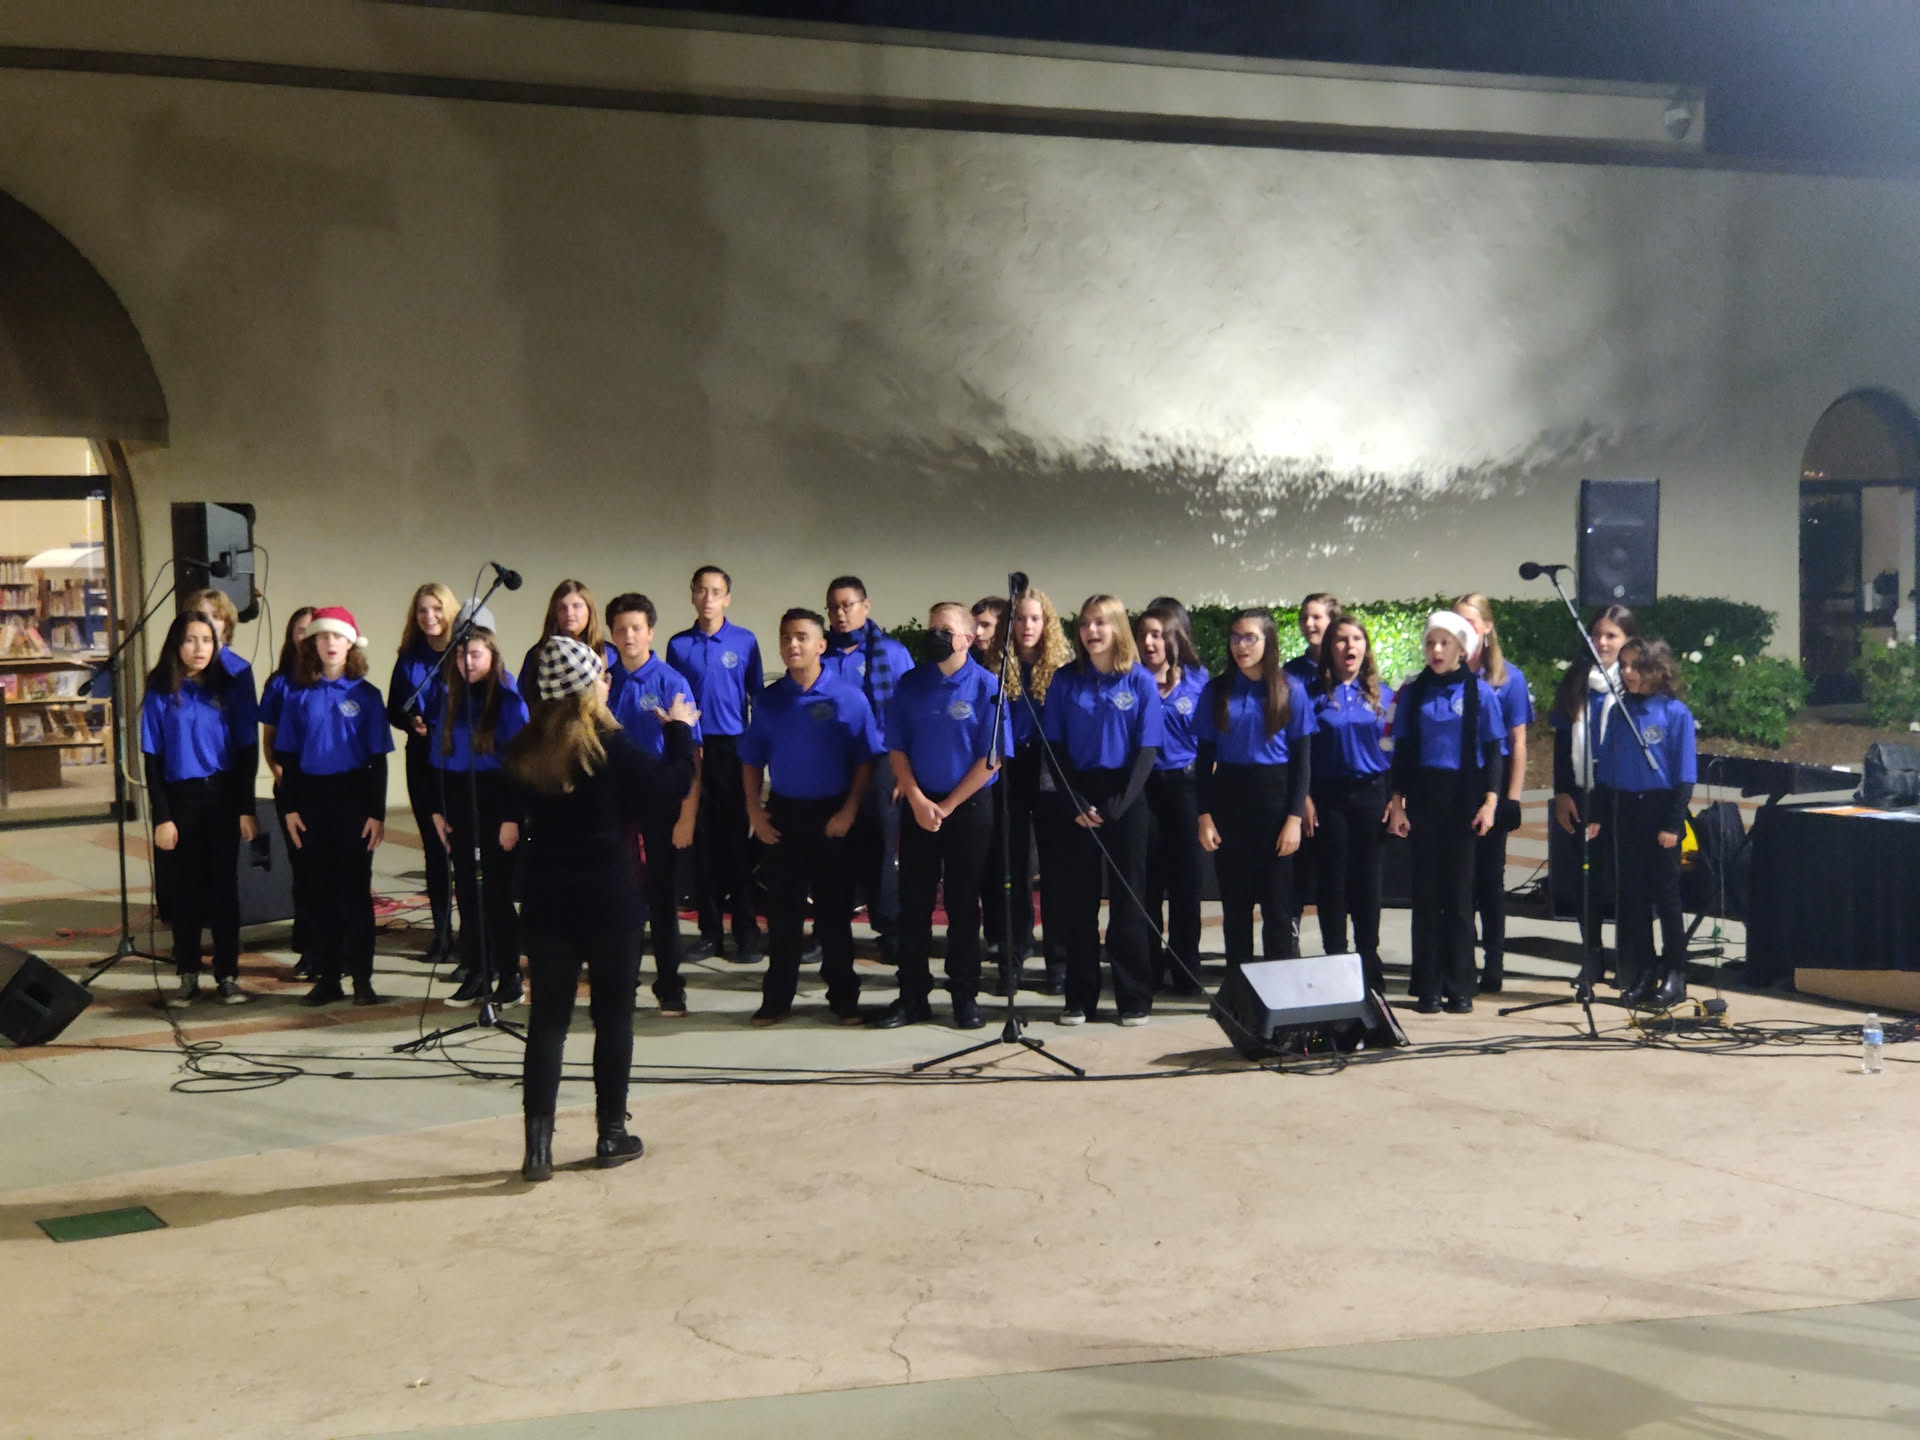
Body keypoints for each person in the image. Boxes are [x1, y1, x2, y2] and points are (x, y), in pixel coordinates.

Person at [504, 636, 698, 1182]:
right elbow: (670, 785)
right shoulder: (610, 746)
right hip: (609, 897)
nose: (607, 682)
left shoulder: (524, 749)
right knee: (613, 1017)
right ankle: (611, 1133)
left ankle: (537, 1150)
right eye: (600, 676)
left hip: (546, 897)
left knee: (548, 1022)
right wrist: (679, 729)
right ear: (587, 688)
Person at [739, 608, 884, 1026]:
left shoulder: (848, 697)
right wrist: (755, 811)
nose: (792, 645)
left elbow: (866, 759)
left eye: (802, 637)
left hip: (833, 814)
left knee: (834, 915)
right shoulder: (768, 700)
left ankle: (843, 997)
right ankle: (777, 998)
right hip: (784, 814)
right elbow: (751, 759)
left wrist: (849, 811)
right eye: (786, 637)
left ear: (821, 645)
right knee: (782, 915)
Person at [876, 602, 1008, 1029]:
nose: (935, 635)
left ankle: (964, 995)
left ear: (968, 639)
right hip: (920, 805)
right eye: (932, 628)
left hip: (967, 808)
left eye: (945, 630)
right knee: (914, 904)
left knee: (963, 904)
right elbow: (897, 747)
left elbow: (991, 759)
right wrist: (917, 799)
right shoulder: (911, 684)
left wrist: (947, 807)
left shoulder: (987, 687)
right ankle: (912, 995)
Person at [1042, 594, 1165, 1026]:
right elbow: (1053, 747)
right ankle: (1079, 997)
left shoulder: (1140, 681)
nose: (1091, 631)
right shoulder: (1064, 681)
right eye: (1085, 624)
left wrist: (1117, 806)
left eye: (1100, 623)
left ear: (1117, 628)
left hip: (1125, 796)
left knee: (1129, 903)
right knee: (1078, 902)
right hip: (1076, 794)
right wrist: (1074, 800)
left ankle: (1133, 997)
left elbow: (1147, 750)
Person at [1386, 612, 1507, 1014]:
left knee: (1458, 897)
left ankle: (1460, 985)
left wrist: (1490, 802)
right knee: (1426, 895)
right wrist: (1397, 802)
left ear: (1461, 649)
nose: (1435, 650)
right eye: (1430, 643)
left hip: (1463, 798)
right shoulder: (1413, 692)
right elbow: (1402, 749)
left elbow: (1494, 751)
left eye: (1444, 643)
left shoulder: (1479, 693)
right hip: (1425, 796)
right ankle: (1428, 986)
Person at [273, 608, 395, 1007]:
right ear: (313, 644)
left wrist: (376, 812)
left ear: (350, 644)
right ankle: (328, 978)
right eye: (323, 637)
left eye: (338, 637)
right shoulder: (296, 694)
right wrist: (290, 808)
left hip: (353, 798)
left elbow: (378, 760)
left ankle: (362, 979)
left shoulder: (367, 696)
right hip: (311, 799)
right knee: (319, 893)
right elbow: (288, 757)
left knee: (355, 893)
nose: (330, 644)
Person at [142, 609, 260, 1007]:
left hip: (222, 795)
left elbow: (246, 750)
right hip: (181, 799)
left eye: (207, 640)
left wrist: (245, 807)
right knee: (185, 891)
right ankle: (188, 974)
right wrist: (163, 817)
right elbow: (153, 759)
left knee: (224, 888)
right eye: (191, 640)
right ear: (177, 644)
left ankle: (227, 974)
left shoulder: (228, 687)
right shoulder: (161, 689)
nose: (199, 648)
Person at [1195, 609, 1316, 968]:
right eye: (1235, 637)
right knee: (1236, 905)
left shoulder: (1290, 690)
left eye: (1250, 637)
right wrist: (1204, 814)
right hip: (1229, 797)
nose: (1241, 646)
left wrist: (1294, 818)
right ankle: (1239, 986)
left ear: (1269, 641)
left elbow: (1302, 761)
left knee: (1278, 906)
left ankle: (1278, 987)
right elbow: (1204, 758)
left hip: (1275, 799)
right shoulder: (1217, 691)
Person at [608, 592, 704, 1013]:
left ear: (650, 632)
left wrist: (687, 815)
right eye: (621, 629)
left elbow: (692, 756)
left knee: (661, 897)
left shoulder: (671, 682)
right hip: (615, 806)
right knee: (619, 896)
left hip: (660, 804)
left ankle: (669, 985)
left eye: (636, 628)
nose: (629, 636)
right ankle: (620, 982)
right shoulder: (604, 683)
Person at [430, 605, 529, 1008]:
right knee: (468, 893)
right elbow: (438, 759)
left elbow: (520, 765)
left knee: (496, 895)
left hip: (496, 800)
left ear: (491, 654)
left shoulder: (507, 700)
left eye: (475, 654)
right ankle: (477, 969)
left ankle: (509, 974)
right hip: (459, 799)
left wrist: (512, 817)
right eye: (460, 655)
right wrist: (438, 810)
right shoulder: (450, 697)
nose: (467, 662)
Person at [1591, 637, 1697, 1009]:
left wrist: (1672, 823)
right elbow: (1605, 770)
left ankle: (1675, 974)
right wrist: (1597, 815)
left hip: (1660, 810)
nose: (1628, 673)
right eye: (1624, 666)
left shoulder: (1674, 713)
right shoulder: (1619, 712)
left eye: (1636, 666)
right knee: (1633, 898)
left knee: (1665, 897)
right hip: (1626, 809)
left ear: (1655, 669)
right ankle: (1644, 972)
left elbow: (1685, 775)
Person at [667, 566, 763, 964]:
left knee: (736, 844)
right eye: (702, 590)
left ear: (727, 598)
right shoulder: (678, 645)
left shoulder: (745, 641)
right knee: (702, 844)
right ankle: (710, 932)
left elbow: (757, 698)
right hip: (693, 748)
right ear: (692, 594)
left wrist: (756, 753)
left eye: (716, 591)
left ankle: (746, 930)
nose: (708, 598)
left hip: (733, 748)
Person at [822, 576, 913, 962]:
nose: (840, 614)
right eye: (833, 607)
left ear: (865, 606)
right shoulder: (821, 653)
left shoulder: (890, 653)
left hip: (881, 763)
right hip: (831, 763)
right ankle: (829, 931)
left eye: (848, 605)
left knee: (879, 849)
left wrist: (905, 774)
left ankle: (889, 930)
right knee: (831, 851)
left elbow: (910, 714)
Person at [989, 586, 1074, 995]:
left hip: (1049, 766)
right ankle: (1013, 954)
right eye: (1020, 618)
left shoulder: (1063, 668)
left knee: (1056, 869)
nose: (1027, 626)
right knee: (1012, 866)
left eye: (1035, 618)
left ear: (1047, 623)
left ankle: (1058, 959)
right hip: (1008, 766)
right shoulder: (995, 665)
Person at [1306, 615, 1393, 995]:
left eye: (1356, 638)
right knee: (1333, 881)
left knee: (1367, 880)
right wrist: (1305, 797)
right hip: (1328, 797)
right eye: (1341, 640)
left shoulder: (1383, 695)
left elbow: (1397, 749)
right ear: (1330, 648)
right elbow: (1301, 751)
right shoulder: (1311, 695)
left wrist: (1397, 797)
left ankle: (1368, 959)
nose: (1349, 646)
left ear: (1365, 647)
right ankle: (1335, 959)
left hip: (1371, 795)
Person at [1550, 605, 1638, 976]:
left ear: (1628, 640)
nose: (1601, 642)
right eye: (1597, 634)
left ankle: (1630, 960)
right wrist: (1562, 793)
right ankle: (1592, 955)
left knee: (1626, 878)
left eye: (1611, 636)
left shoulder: (1634, 681)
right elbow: (1561, 740)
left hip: (1622, 792)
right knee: (1588, 878)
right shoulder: (1577, 680)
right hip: (1583, 791)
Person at [1453, 593, 1533, 994]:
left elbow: (1518, 742)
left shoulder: (1508, 678)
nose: (1464, 631)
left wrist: (1511, 798)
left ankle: (1494, 959)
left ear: (1486, 627)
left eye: (1470, 622)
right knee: (1459, 879)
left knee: (1489, 879)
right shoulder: (1446, 672)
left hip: (1493, 781)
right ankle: (1460, 959)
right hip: (1455, 782)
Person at [1135, 600, 1207, 995]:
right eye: (1143, 635)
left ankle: (1186, 966)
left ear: (1176, 637)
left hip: (1186, 788)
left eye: (1158, 635)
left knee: (1186, 883)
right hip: (1143, 787)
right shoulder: (1130, 679)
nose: (1149, 643)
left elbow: (1211, 741)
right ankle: (1146, 965)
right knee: (1146, 882)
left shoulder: (1199, 680)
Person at [387, 582, 459, 963]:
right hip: (422, 761)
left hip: (460, 761)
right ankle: (442, 934)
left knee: (463, 848)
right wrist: (409, 721)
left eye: (436, 608)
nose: (429, 616)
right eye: (422, 611)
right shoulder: (409, 658)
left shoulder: (464, 653)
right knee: (434, 849)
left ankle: (473, 936)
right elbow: (393, 708)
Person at [259, 606, 316, 978]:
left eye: (313, 629)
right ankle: (308, 948)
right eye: (300, 629)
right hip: (292, 789)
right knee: (303, 869)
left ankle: (339, 946)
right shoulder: (279, 683)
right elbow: (269, 739)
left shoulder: (333, 678)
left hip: (330, 789)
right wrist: (280, 775)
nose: (307, 636)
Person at [517, 579, 616, 695]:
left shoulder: (609, 653)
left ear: (589, 610)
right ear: (554, 614)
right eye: (562, 608)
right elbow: (522, 699)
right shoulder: (537, 655)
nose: (569, 613)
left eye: (576, 606)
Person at [1284, 593, 1340, 685]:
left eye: (1316, 617)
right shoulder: (1290, 672)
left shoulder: (1346, 669)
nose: (1308, 623)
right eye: (1304, 618)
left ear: (1333, 621)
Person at [970, 596, 1007, 667]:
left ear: (1003, 627)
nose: (977, 632)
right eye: (974, 625)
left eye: (986, 625)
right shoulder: (967, 659)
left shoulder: (1020, 661)